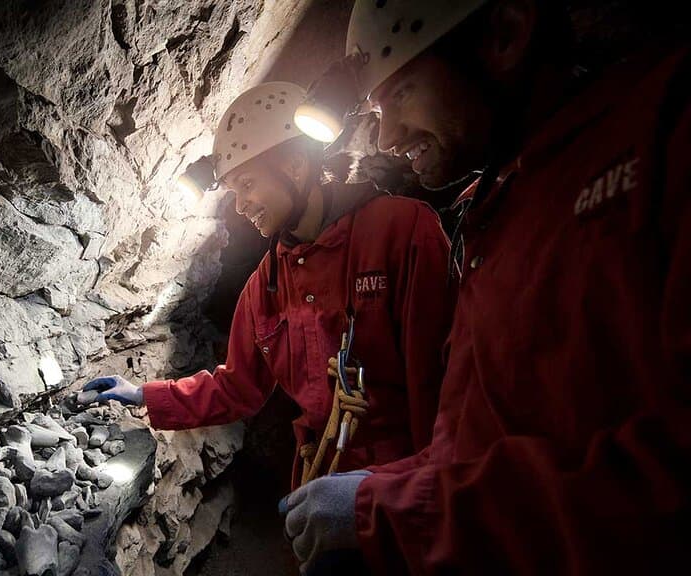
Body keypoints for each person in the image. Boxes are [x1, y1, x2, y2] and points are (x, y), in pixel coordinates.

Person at [280, 0, 691, 573]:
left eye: (399, 95)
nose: (389, 136)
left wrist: (397, 511)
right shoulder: (494, 212)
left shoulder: (666, 130)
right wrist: (388, 486)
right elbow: (481, 441)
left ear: (505, 34)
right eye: (376, 108)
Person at [82, 82, 456, 491]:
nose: (241, 207)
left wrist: (420, 497)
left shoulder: (401, 231)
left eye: (246, 184)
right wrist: (144, 395)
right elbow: (237, 387)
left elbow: (442, 389)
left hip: (405, 485)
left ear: (295, 165)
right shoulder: (265, 288)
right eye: (233, 192)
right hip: (322, 478)